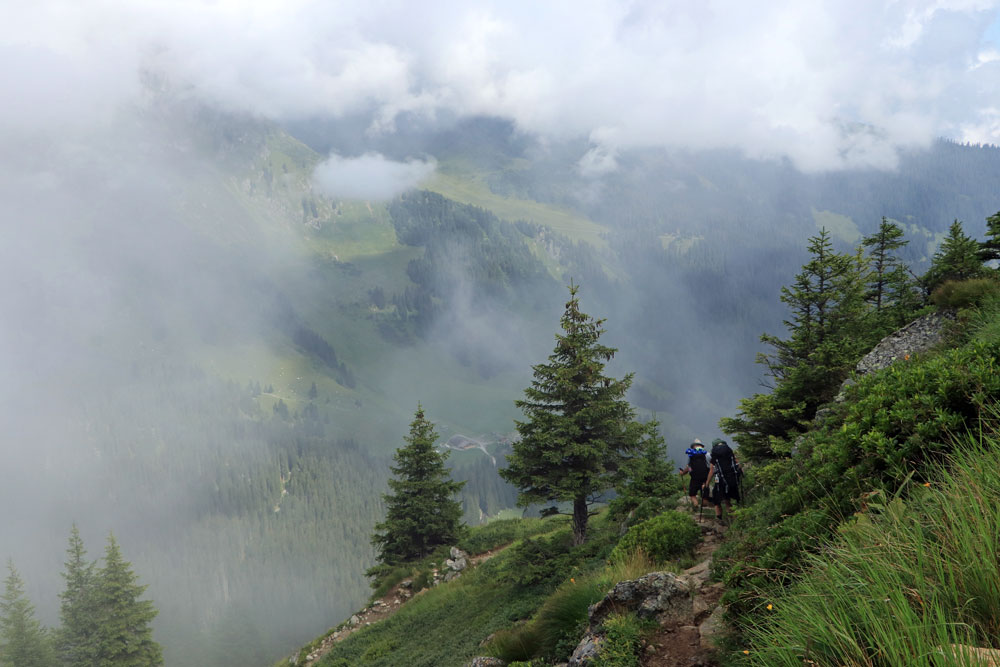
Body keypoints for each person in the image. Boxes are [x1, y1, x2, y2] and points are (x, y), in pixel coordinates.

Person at [707, 438, 741, 521]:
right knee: (727, 499)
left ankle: (719, 519)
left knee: (717, 500)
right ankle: (733, 519)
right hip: (732, 479)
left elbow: (711, 470)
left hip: (720, 481)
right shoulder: (729, 451)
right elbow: (738, 464)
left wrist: (707, 483)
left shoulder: (715, 454)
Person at [678, 439, 710, 512]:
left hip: (694, 478)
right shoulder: (707, 454)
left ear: (693, 446)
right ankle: (705, 509)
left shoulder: (691, 455)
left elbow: (689, 467)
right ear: (701, 446)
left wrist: (683, 473)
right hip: (705, 477)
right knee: (705, 495)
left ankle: (696, 507)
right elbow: (711, 467)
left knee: (692, 495)